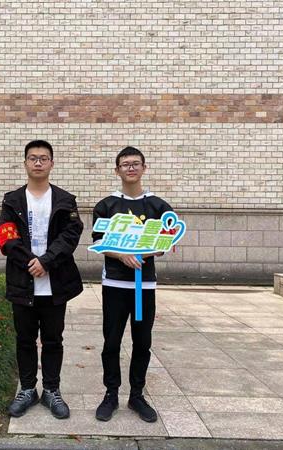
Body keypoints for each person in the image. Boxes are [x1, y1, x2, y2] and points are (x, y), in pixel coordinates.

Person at [0, 140, 84, 420]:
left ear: (51, 164)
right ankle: (27, 390)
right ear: (25, 163)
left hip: (54, 283)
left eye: (43, 158)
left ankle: (51, 390)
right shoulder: (12, 200)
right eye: (32, 158)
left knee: (53, 340)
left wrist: (46, 261)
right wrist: (30, 263)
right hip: (23, 282)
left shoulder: (65, 200)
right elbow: (7, 236)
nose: (37, 162)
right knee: (24, 339)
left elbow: (71, 235)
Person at [92, 146, 173, 423]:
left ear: (144, 168)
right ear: (117, 170)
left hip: (143, 287)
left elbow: (166, 242)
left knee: (142, 342)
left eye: (135, 163)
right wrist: (121, 254)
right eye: (125, 164)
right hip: (115, 284)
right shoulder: (107, 206)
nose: (130, 168)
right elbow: (99, 242)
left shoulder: (158, 206)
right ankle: (111, 394)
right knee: (111, 341)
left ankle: (137, 395)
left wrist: (143, 253)